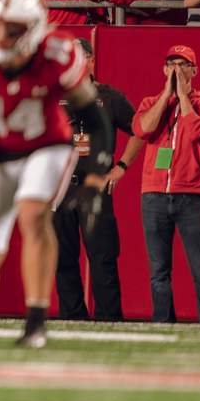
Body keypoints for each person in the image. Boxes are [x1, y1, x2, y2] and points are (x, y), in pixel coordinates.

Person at [0, 0, 115, 350]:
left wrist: (93, 180)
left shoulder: (58, 52)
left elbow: (98, 119)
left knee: (34, 213)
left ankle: (36, 321)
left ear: (35, 26)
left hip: (45, 146)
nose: (1, 37)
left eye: (12, 28)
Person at [131, 44, 200, 325]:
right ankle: (163, 323)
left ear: (194, 71)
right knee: (159, 270)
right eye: (172, 64)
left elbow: (198, 131)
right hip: (154, 196)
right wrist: (166, 95)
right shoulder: (151, 102)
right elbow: (143, 129)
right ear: (164, 70)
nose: (177, 70)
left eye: (183, 64)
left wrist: (184, 96)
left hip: (190, 195)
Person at [52, 79, 137, 324]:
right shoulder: (52, 93)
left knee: (103, 256)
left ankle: (108, 318)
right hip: (61, 187)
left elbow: (140, 130)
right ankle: (72, 317)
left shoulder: (108, 96)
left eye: (83, 56)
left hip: (94, 185)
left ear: (91, 60)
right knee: (62, 257)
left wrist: (121, 166)